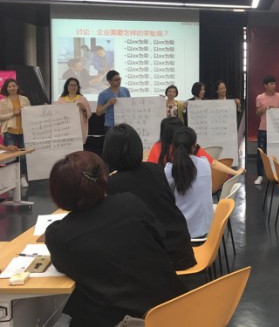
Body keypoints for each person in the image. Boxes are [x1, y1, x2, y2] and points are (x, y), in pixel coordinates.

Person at [45, 151, 187, 327]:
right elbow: (159, 236)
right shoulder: (130, 203)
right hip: (174, 310)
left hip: (118, 320)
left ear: (57, 193)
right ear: (102, 179)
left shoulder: (58, 236)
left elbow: (64, 267)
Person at [103, 124, 196, 270]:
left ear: (109, 153)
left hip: (157, 260)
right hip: (181, 247)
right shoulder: (156, 169)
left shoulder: (113, 183)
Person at [147, 117, 245, 176]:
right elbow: (213, 163)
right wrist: (235, 172)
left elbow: (150, 170)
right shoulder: (189, 145)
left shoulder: (157, 147)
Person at [165, 127, 213, 238]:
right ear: (194, 146)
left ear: (173, 147)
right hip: (207, 230)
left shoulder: (170, 170)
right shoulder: (205, 163)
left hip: (181, 234)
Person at [0, 78, 31, 187]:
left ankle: (22, 177)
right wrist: (13, 113)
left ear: (18, 87)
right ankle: (11, 180)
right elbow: (0, 117)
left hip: (24, 130)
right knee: (11, 156)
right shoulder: (3, 102)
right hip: (10, 131)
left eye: (14, 86)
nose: (12, 88)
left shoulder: (25, 99)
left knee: (23, 156)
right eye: (9, 86)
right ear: (6, 88)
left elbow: (31, 113)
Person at [254, 75, 279, 185]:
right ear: (265, 86)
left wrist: (274, 109)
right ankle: (260, 175)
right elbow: (257, 114)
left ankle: (277, 174)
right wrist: (261, 110)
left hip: (276, 129)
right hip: (263, 128)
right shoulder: (260, 97)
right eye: (271, 84)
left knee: (276, 152)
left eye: (274, 84)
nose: (274, 86)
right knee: (261, 153)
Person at [56, 77, 92, 144]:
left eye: (75, 85)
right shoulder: (61, 100)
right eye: (71, 85)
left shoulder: (82, 99)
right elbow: (56, 114)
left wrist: (83, 108)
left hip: (78, 130)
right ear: (67, 87)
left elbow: (88, 115)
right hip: (65, 130)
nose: (73, 87)